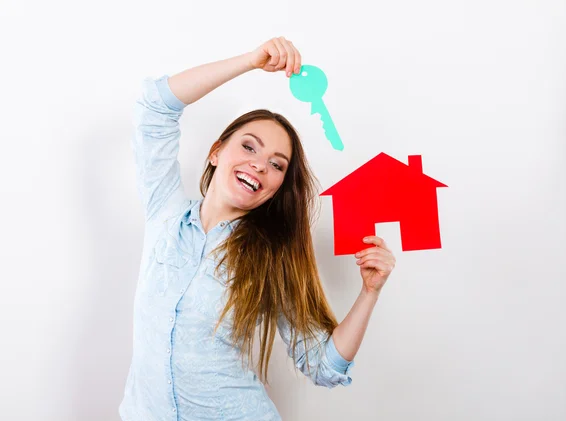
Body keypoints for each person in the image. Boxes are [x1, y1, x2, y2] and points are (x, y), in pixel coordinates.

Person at [119, 36, 397, 421]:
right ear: (216, 152)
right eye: (249, 147)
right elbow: (155, 106)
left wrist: (370, 292)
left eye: (277, 164)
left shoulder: (271, 256)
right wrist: (250, 61)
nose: (260, 165)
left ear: (276, 189)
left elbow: (323, 365)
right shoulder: (164, 212)